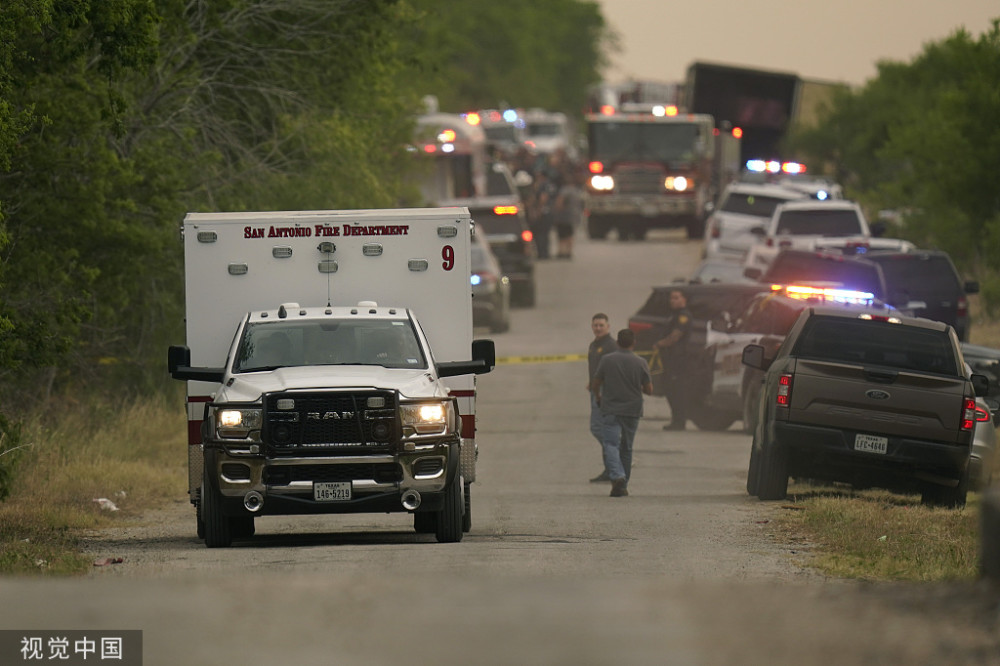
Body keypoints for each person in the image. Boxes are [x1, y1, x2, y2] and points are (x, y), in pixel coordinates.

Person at [590, 328, 653, 498]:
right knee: (627, 447)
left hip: (611, 408)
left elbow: (595, 383)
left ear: (617, 343)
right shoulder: (641, 362)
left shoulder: (607, 360)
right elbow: (649, 390)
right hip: (632, 410)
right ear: (634, 343)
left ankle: (617, 475)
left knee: (611, 444)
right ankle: (622, 486)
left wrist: (598, 398)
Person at [654, 288, 693, 430]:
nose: (673, 300)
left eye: (677, 297)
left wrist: (660, 344)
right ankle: (676, 419)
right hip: (670, 358)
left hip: (678, 359)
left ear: (684, 300)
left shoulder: (684, 316)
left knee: (677, 390)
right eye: (672, 298)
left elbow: (676, 336)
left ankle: (679, 421)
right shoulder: (673, 315)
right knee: (669, 389)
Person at [587, 313, 617, 483]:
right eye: (595, 325)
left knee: (598, 428)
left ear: (608, 326)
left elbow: (612, 371)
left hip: (604, 392)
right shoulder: (594, 345)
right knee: (601, 429)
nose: (598, 328)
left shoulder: (610, 346)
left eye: (601, 325)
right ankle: (610, 468)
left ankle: (615, 455)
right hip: (595, 389)